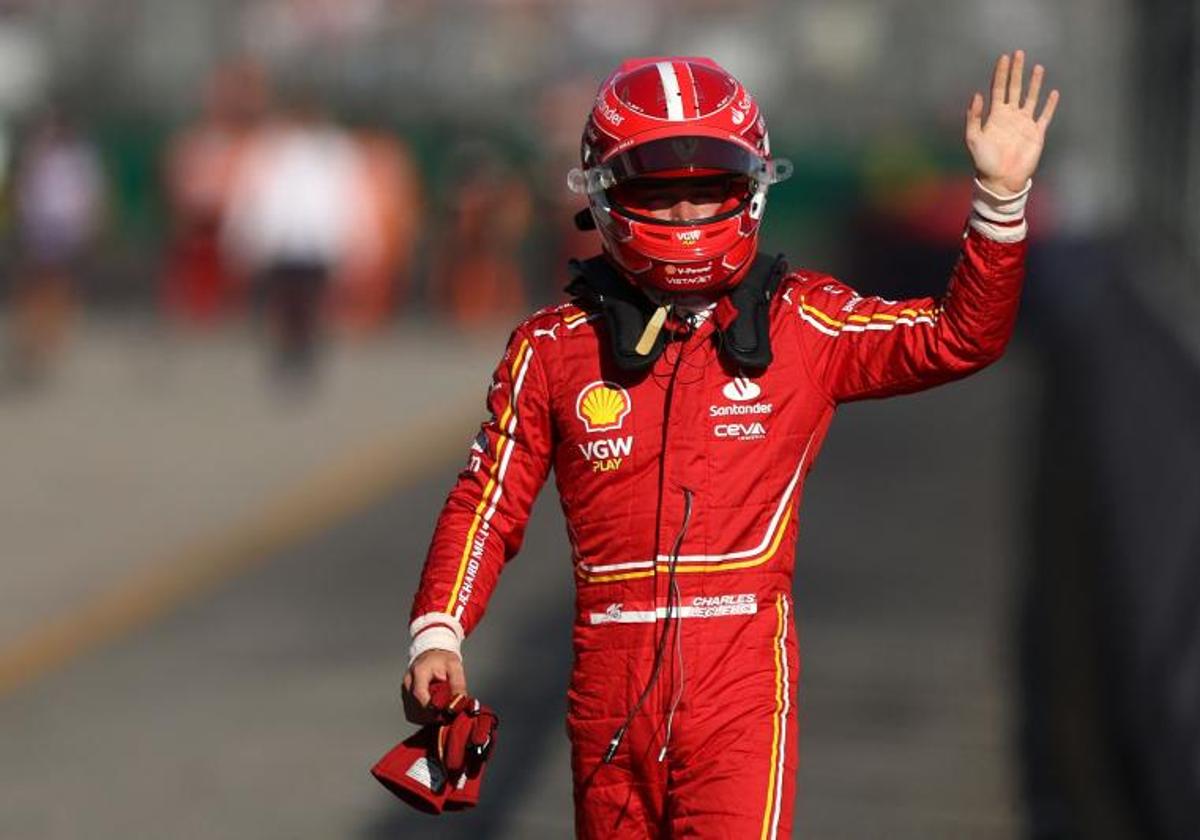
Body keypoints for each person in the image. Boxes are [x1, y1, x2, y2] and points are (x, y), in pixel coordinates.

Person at [402, 52, 1059, 838]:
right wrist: (438, 629)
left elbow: (960, 337)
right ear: (606, 197)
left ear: (750, 190)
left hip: (742, 680)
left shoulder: (804, 324)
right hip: (607, 681)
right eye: (659, 193)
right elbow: (487, 500)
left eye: (706, 192)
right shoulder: (552, 348)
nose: (685, 217)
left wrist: (1000, 197)